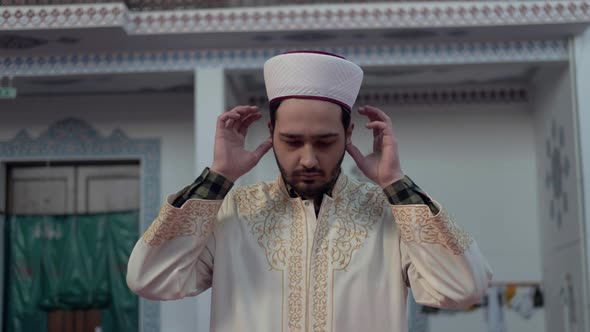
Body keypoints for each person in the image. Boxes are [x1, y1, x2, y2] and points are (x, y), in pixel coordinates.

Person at [127, 51, 492, 332]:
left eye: (324, 141)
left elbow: (464, 288)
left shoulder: (387, 213)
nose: (308, 159)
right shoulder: (233, 212)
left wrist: (395, 184)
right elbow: (150, 279)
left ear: (349, 136)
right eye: (292, 141)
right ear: (271, 133)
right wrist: (219, 177)